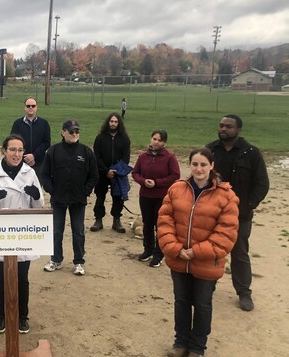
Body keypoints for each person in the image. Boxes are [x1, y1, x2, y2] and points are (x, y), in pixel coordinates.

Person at [157, 148, 239, 357]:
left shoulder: (226, 196)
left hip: (206, 262)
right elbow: (165, 222)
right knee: (181, 301)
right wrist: (176, 248)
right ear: (190, 165)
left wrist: (196, 252)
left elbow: (226, 234)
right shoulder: (177, 189)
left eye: (203, 164)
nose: (199, 169)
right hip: (179, 259)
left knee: (202, 305)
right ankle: (181, 342)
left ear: (212, 166)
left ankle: (197, 347)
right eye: (195, 164)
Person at [0, 134, 44, 335]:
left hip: (23, 233)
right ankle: (2, 316)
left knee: (22, 277)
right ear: (4, 151)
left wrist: (35, 195)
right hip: (1, 233)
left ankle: (23, 317)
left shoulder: (30, 173)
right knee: (1, 277)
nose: (17, 154)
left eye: (20, 150)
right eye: (13, 150)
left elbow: (39, 206)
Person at [206, 114, 269, 311]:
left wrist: (248, 205)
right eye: (221, 125)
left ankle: (244, 292)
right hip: (212, 213)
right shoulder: (210, 150)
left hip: (240, 216)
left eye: (228, 126)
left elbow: (262, 183)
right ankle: (206, 286)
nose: (223, 129)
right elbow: (200, 176)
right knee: (210, 251)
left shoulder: (251, 153)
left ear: (238, 130)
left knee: (239, 253)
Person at [40, 119, 98, 275]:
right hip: (58, 199)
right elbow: (44, 174)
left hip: (78, 200)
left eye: (77, 131)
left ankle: (79, 262)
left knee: (78, 231)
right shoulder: (53, 151)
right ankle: (56, 260)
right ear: (63, 132)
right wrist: (51, 189)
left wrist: (85, 191)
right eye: (71, 131)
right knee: (56, 231)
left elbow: (94, 175)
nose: (74, 134)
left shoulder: (86, 152)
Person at [131, 130, 180, 268]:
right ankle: (148, 250)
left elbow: (175, 175)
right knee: (147, 224)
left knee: (160, 226)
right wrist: (143, 181)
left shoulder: (169, 157)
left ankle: (159, 254)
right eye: (154, 139)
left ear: (164, 142)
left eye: (159, 140)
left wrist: (157, 183)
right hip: (145, 195)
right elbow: (135, 173)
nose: (156, 142)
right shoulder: (142, 157)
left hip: (161, 197)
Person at [90, 113, 131, 233]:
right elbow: (96, 156)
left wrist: (117, 170)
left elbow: (126, 157)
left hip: (118, 173)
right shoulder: (100, 138)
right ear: (108, 122)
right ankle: (98, 219)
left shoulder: (124, 138)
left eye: (116, 122)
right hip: (102, 172)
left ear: (119, 123)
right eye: (111, 121)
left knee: (118, 197)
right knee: (100, 196)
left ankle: (116, 220)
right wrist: (106, 170)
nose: (113, 123)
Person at [10, 96, 51, 177]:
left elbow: (47, 142)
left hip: (39, 163)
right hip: (20, 162)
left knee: (36, 187)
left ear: (36, 107)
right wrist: (25, 156)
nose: (31, 108)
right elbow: (13, 142)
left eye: (33, 106)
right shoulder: (17, 123)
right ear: (24, 108)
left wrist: (34, 155)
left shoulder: (44, 123)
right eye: (28, 106)